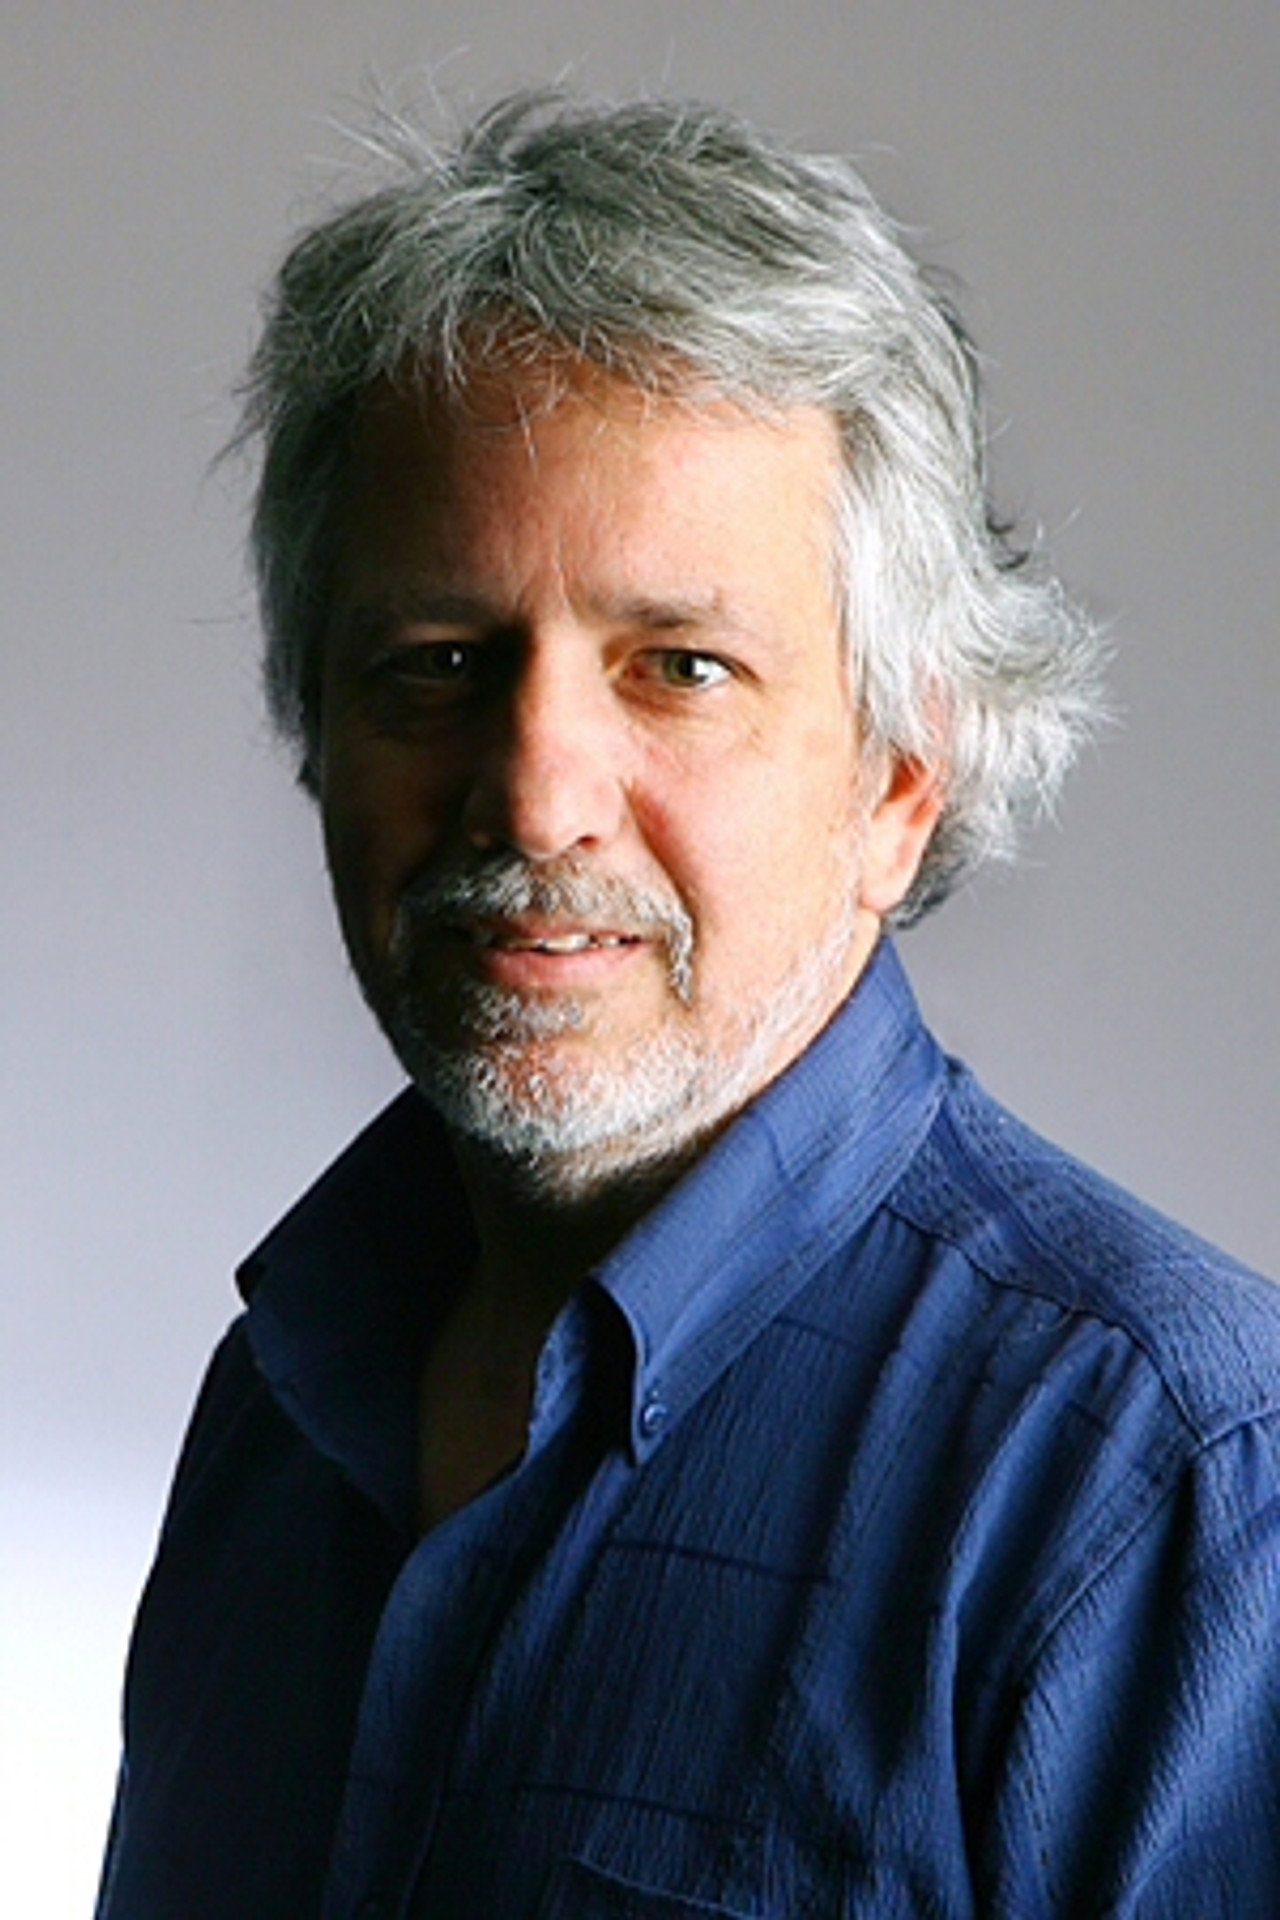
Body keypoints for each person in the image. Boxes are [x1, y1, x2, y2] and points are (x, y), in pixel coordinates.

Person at [97, 90, 1280, 1917]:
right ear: (315, 729)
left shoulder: (1178, 1493)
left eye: (682, 668)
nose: (535, 797)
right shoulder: (275, 1408)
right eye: (438, 663)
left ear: (903, 778)